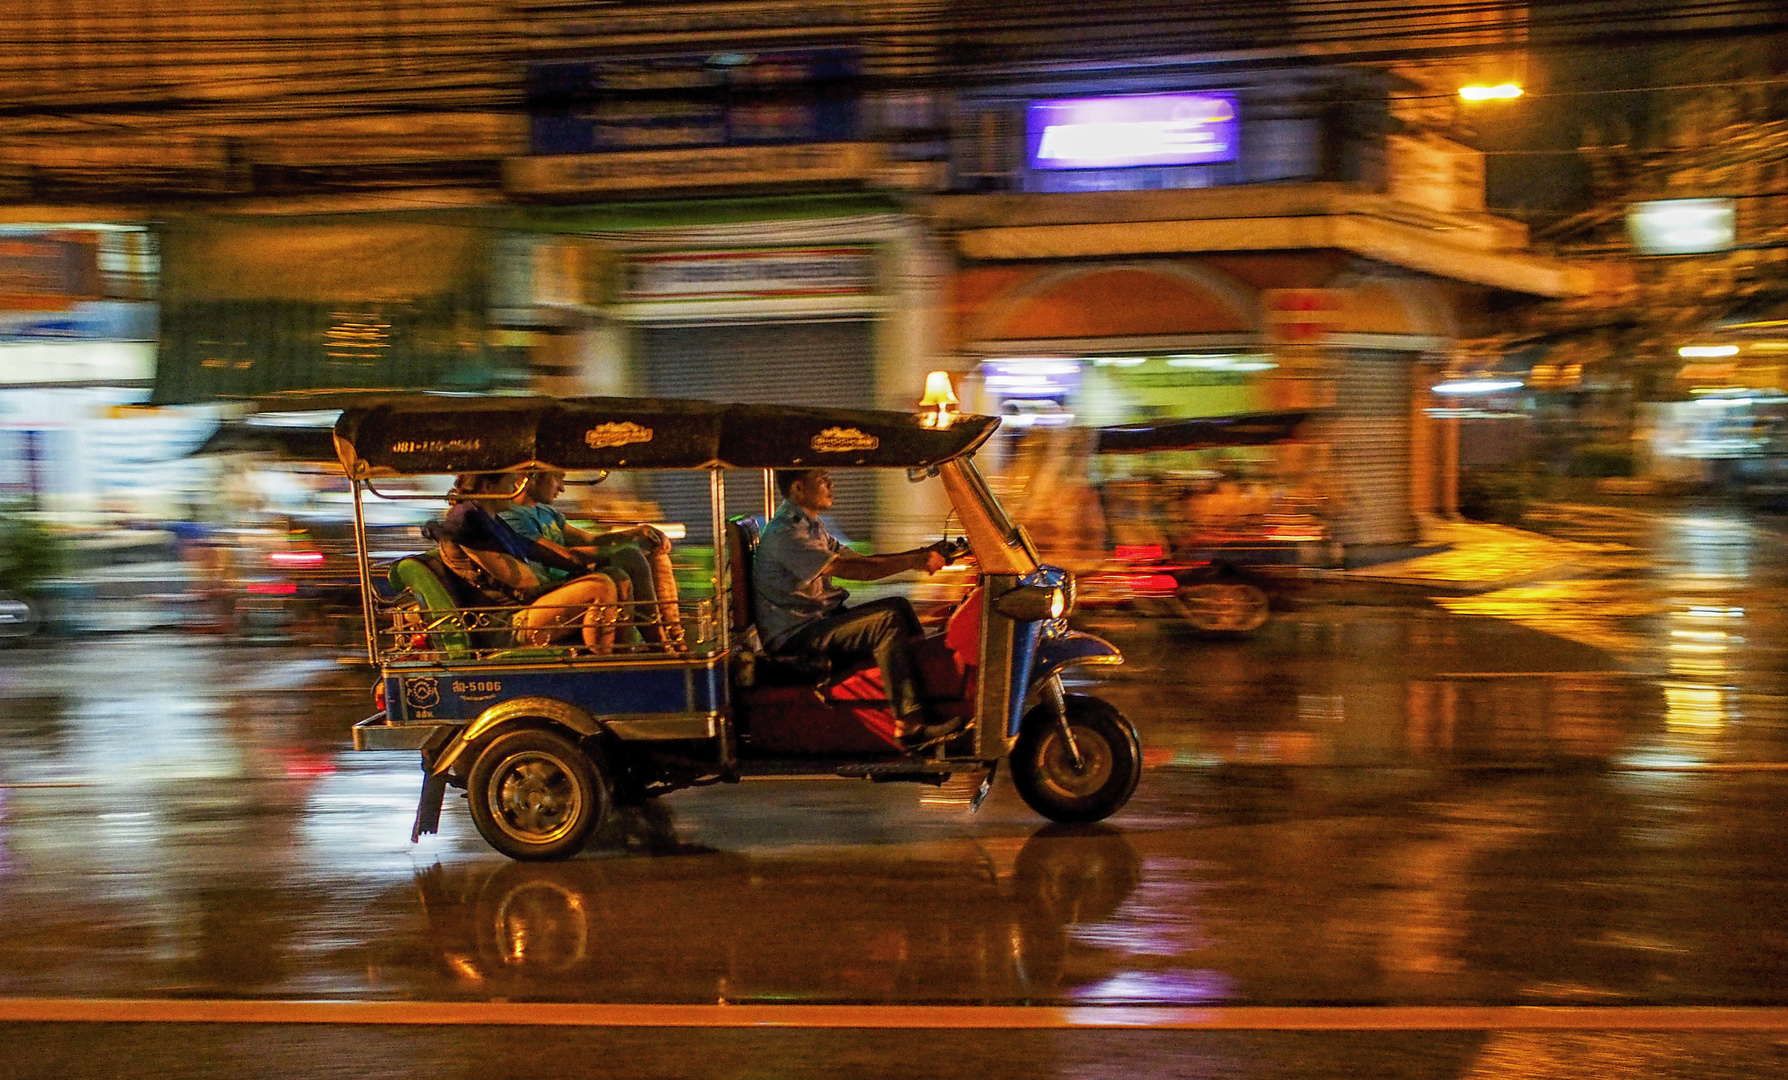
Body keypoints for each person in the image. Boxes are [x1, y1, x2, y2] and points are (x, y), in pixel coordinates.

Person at [753, 468, 960, 748]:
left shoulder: (811, 525)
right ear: (799, 488)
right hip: (797, 636)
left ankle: (927, 706)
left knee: (898, 606)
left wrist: (921, 553)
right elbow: (851, 569)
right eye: (821, 478)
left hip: (816, 622)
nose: (831, 482)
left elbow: (861, 559)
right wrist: (914, 562)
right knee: (886, 622)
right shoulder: (786, 534)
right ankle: (909, 725)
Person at [424, 473, 622, 652]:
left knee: (616, 577)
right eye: (511, 483)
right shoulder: (466, 522)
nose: (514, 489)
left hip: (519, 610)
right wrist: (572, 581)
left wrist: (590, 563)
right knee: (600, 588)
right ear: (488, 487)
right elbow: (523, 581)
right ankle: (606, 672)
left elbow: (537, 552)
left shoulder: (490, 519)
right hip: (503, 624)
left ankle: (628, 656)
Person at [501, 469, 683, 647]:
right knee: (628, 560)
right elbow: (564, 555)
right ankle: (658, 644)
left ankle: (674, 635)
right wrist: (619, 550)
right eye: (557, 478)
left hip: (569, 579)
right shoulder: (511, 517)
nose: (562, 488)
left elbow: (591, 539)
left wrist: (635, 533)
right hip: (550, 589)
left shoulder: (547, 513)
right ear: (529, 478)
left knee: (655, 553)